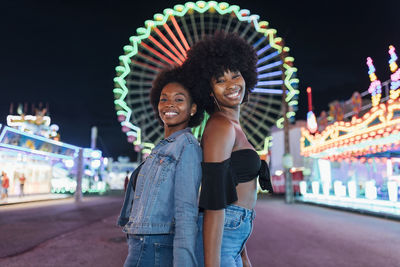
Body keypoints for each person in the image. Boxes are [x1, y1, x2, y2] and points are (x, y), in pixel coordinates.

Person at [183, 31, 272, 267]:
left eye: (235, 76)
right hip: (221, 243)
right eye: (220, 80)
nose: (231, 85)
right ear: (209, 90)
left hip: (233, 240)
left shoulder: (232, 125)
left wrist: (242, 254)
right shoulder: (220, 125)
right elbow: (214, 201)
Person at [117, 66, 204, 267]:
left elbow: (186, 212)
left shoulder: (187, 147)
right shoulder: (161, 149)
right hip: (140, 243)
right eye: (164, 98)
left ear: (193, 108)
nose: (169, 104)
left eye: (179, 99)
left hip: (154, 246)